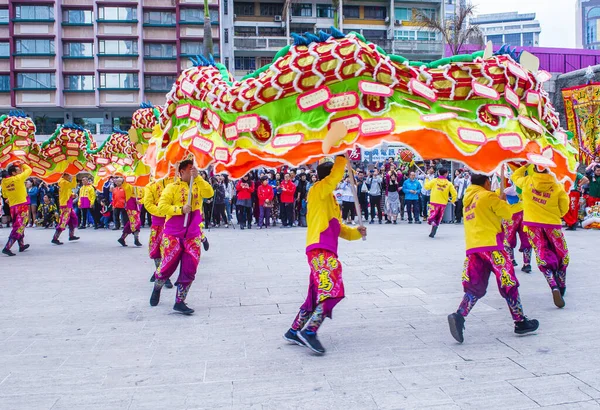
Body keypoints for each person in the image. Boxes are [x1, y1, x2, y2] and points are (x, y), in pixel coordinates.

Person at [283, 157, 366, 354]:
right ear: (329, 176)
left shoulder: (329, 198)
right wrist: (342, 158)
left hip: (324, 248)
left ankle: (294, 330)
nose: (341, 178)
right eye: (337, 175)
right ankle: (310, 330)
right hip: (320, 248)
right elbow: (336, 175)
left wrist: (357, 232)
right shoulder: (318, 189)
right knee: (333, 286)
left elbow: (340, 229)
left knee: (315, 293)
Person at [447, 174, 539, 343]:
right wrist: (505, 200)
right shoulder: (487, 196)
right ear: (487, 182)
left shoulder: (469, 199)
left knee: (475, 287)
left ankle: (460, 315)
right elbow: (508, 213)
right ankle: (519, 321)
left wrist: (500, 196)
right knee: (508, 282)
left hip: (474, 248)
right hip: (492, 246)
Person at [149, 160, 214, 315]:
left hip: (192, 234)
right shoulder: (171, 188)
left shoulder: (198, 184)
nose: (193, 171)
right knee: (167, 265)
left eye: (194, 169)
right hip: (173, 233)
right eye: (190, 169)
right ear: (181, 171)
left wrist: (198, 178)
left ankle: (180, 301)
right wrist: (180, 209)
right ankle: (157, 287)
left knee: (190, 267)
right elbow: (162, 207)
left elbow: (209, 193)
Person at [512, 164, 570, 308]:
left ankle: (553, 285)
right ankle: (561, 284)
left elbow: (515, 176)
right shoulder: (557, 185)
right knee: (562, 254)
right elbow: (565, 207)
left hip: (532, 224)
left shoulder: (527, 181)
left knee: (541, 253)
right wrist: (556, 215)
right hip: (552, 224)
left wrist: (525, 165)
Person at [143, 177, 174, 288]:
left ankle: (160, 271)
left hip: (173, 220)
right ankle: (162, 274)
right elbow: (148, 204)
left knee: (170, 249)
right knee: (157, 249)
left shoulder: (175, 182)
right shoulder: (150, 186)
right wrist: (162, 212)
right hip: (158, 222)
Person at [1, 162, 32, 256]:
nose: (20, 171)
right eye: (18, 170)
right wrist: (23, 164)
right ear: (13, 173)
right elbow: (29, 170)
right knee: (19, 227)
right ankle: (7, 247)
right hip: (21, 206)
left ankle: (21, 245)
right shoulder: (18, 178)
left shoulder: (4, 182)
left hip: (13, 207)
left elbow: (5, 195)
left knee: (18, 225)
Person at [503, 184, 533, 273]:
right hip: (523, 212)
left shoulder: (505, 186)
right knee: (526, 238)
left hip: (510, 214)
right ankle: (527, 264)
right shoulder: (523, 184)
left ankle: (511, 260)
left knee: (508, 239)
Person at [424, 168, 457, 238]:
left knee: (432, 215)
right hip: (443, 203)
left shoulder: (434, 181)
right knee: (438, 217)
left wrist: (426, 179)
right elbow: (454, 194)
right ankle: (434, 227)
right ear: (446, 174)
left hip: (433, 202)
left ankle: (433, 223)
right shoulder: (449, 183)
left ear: (438, 173)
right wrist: (453, 200)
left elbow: (426, 187)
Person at [52, 173, 80, 245]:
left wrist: (72, 195)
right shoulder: (63, 182)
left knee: (73, 219)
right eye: (68, 175)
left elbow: (67, 191)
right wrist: (74, 176)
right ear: (64, 175)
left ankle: (71, 235)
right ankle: (55, 238)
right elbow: (73, 185)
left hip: (68, 203)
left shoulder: (64, 182)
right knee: (63, 222)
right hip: (65, 205)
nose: (69, 177)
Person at [114, 178, 142, 247]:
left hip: (138, 203)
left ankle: (122, 238)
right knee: (136, 221)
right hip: (131, 203)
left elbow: (144, 195)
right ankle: (136, 239)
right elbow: (125, 185)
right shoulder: (128, 184)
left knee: (132, 222)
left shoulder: (142, 185)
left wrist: (141, 201)